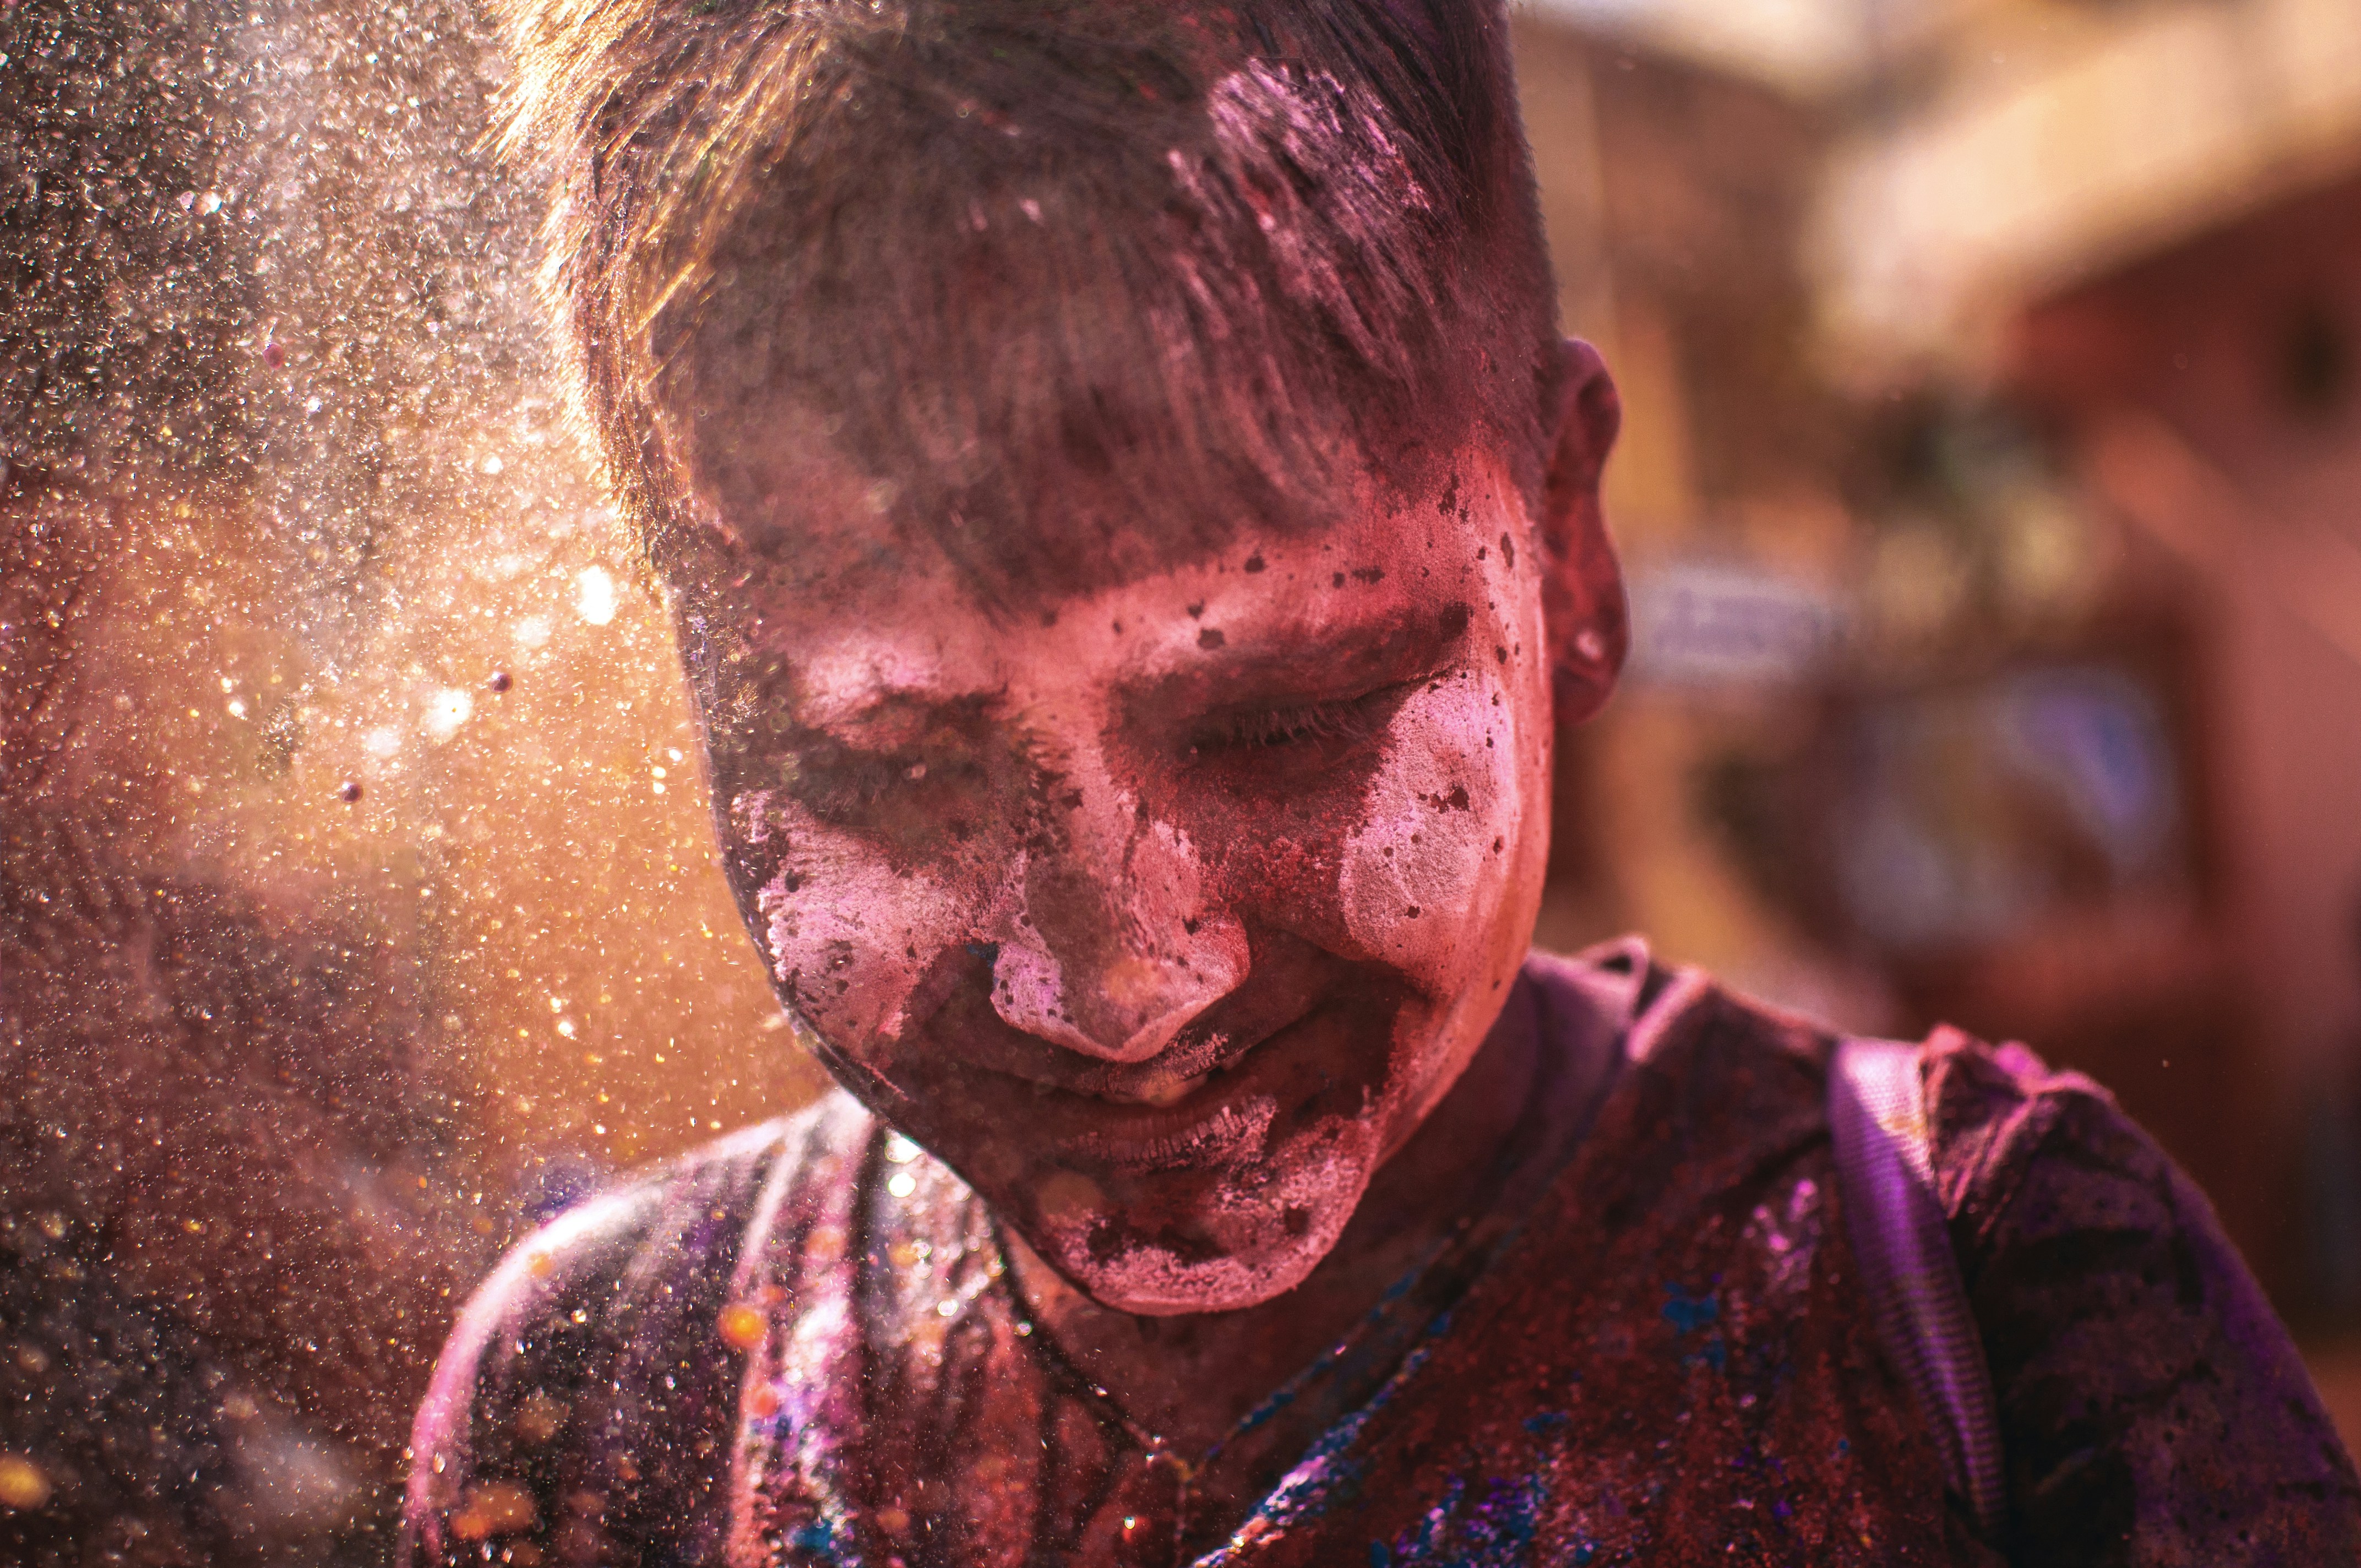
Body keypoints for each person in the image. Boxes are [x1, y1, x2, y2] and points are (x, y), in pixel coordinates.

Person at [403, 2, 2360, 1562]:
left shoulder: (1993, 1320)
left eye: (1278, 719)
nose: (1123, 982)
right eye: (887, 766)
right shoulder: (606, 1403)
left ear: (1571, 548)